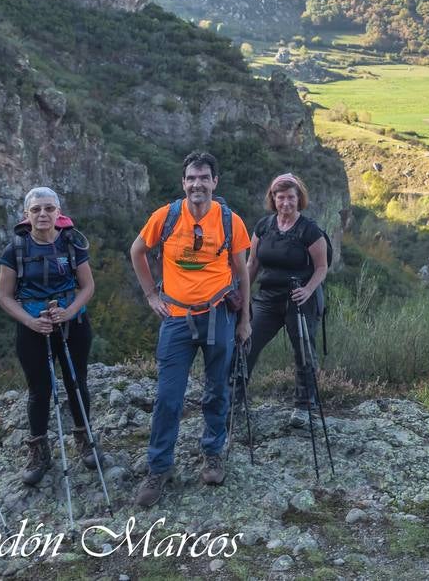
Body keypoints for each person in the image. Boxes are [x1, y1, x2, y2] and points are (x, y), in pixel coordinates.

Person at [128, 152, 251, 507]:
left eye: (204, 178)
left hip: (218, 315)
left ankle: (213, 453)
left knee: (216, 390)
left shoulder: (230, 222)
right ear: (183, 183)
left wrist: (244, 321)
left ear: (215, 182)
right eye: (191, 178)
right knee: (168, 396)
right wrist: (152, 294)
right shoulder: (165, 217)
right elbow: (137, 251)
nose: (198, 184)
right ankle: (159, 467)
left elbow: (242, 273)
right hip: (177, 317)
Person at [0, 186, 97, 486]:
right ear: (26, 214)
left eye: (49, 208)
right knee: (39, 389)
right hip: (33, 326)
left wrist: (69, 312)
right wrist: (30, 322)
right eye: (36, 209)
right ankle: (38, 450)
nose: (43, 214)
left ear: (58, 212)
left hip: (72, 323)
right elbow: (4, 296)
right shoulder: (14, 249)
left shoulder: (71, 243)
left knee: (76, 381)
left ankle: (85, 439)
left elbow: (87, 286)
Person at [245, 173, 329, 425]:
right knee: (247, 343)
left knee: (303, 352)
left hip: (300, 299)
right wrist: (242, 295)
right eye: (280, 197)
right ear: (273, 198)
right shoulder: (263, 226)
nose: (286, 203)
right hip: (268, 298)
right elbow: (252, 263)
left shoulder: (310, 230)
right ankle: (234, 399)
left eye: (291, 197)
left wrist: (308, 290)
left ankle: (303, 407)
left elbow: (322, 267)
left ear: (298, 198)